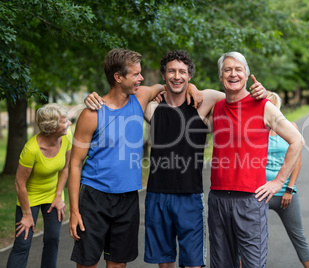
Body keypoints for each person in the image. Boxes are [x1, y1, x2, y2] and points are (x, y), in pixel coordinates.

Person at [84, 49, 267, 268]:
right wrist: (92, 97)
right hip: (157, 195)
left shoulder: (204, 101)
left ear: (190, 74)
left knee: (192, 264)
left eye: (182, 72)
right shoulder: (151, 107)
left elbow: (236, 95)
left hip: (189, 195)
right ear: (163, 75)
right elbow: (122, 92)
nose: (177, 76)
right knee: (165, 263)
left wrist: (260, 92)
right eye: (171, 71)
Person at [68, 48, 179, 268]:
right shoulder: (91, 113)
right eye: (136, 74)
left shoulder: (140, 97)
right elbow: (75, 163)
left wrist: (192, 88)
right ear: (118, 77)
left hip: (128, 198)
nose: (141, 78)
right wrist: (74, 211)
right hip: (94, 197)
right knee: (87, 263)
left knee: (118, 264)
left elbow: (169, 85)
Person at [207, 52, 304, 268]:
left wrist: (278, 182)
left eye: (238, 69)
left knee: (252, 265)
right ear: (221, 76)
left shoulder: (263, 106)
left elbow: (297, 140)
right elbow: (194, 93)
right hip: (218, 198)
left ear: (247, 75)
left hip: (250, 199)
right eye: (227, 70)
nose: (233, 73)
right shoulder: (217, 107)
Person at [7, 103, 72, 268]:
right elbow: (19, 183)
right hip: (30, 197)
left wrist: (58, 196)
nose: (69, 124)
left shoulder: (66, 136)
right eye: (65, 122)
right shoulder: (31, 149)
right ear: (52, 127)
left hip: (53, 194)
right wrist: (27, 215)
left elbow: (65, 168)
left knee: (52, 239)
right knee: (23, 243)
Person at [265, 92, 309, 268]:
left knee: (298, 236)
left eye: (271, 106)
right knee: (252, 239)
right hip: (261, 193)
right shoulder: (256, 131)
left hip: (286, 193)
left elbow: (297, 160)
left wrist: (290, 189)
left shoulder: (290, 127)